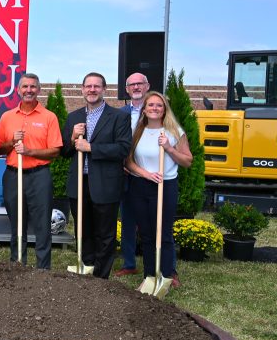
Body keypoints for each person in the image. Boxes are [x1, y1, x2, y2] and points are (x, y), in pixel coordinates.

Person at [62, 72, 132, 278]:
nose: (92, 90)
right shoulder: (74, 117)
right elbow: (64, 152)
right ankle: (86, 267)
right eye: (88, 86)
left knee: (105, 233)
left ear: (104, 89)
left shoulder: (119, 117)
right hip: (79, 183)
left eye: (96, 86)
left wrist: (90, 147)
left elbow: (122, 149)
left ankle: (100, 278)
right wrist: (73, 137)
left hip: (105, 183)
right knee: (83, 230)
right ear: (82, 89)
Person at [125, 91, 193, 297]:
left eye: (159, 106)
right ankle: (149, 276)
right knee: (145, 234)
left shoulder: (174, 131)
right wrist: (146, 174)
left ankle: (166, 274)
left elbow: (188, 161)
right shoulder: (136, 131)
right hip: (141, 185)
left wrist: (169, 148)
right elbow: (128, 162)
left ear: (164, 110)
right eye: (151, 105)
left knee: (163, 233)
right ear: (144, 109)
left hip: (166, 185)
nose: (155, 108)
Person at [0, 73, 63, 269]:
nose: (28, 90)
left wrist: (30, 151)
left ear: (39, 90)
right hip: (12, 174)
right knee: (17, 224)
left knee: (42, 225)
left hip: (39, 176)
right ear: (18, 90)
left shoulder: (49, 117)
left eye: (33, 87)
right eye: (25, 87)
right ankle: (18, 266)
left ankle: (43, 271)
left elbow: (55, 151)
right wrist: (11, 142)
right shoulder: (7, 117)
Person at [117, 72, 149, 276]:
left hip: (148, 175)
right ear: (127, 89)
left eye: (140, 84)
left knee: (152, 223)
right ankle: (129, 264)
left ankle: (162, 266)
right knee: (127, 220)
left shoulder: (157, 111)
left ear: (147, 86)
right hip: (126, 174)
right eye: (132, 85)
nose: (136, 87)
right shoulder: (120, 114)